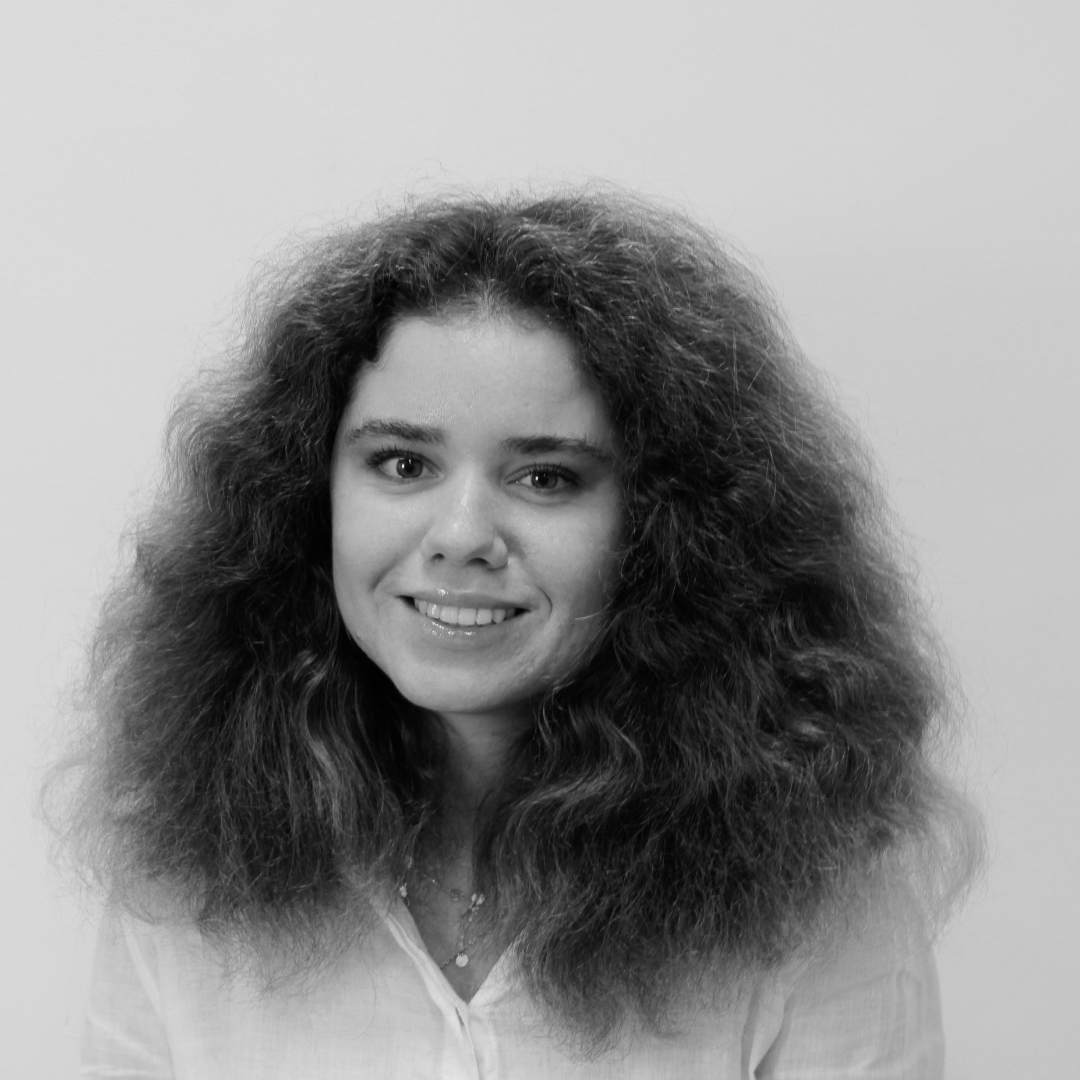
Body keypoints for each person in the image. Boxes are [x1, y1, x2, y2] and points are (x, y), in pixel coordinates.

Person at [57, 188, 981, 1078]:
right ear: (308, 497)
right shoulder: (185, 872)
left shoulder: (815, 889)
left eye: (546, 478)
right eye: (402, 463)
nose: (461, 536)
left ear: (668, 534)